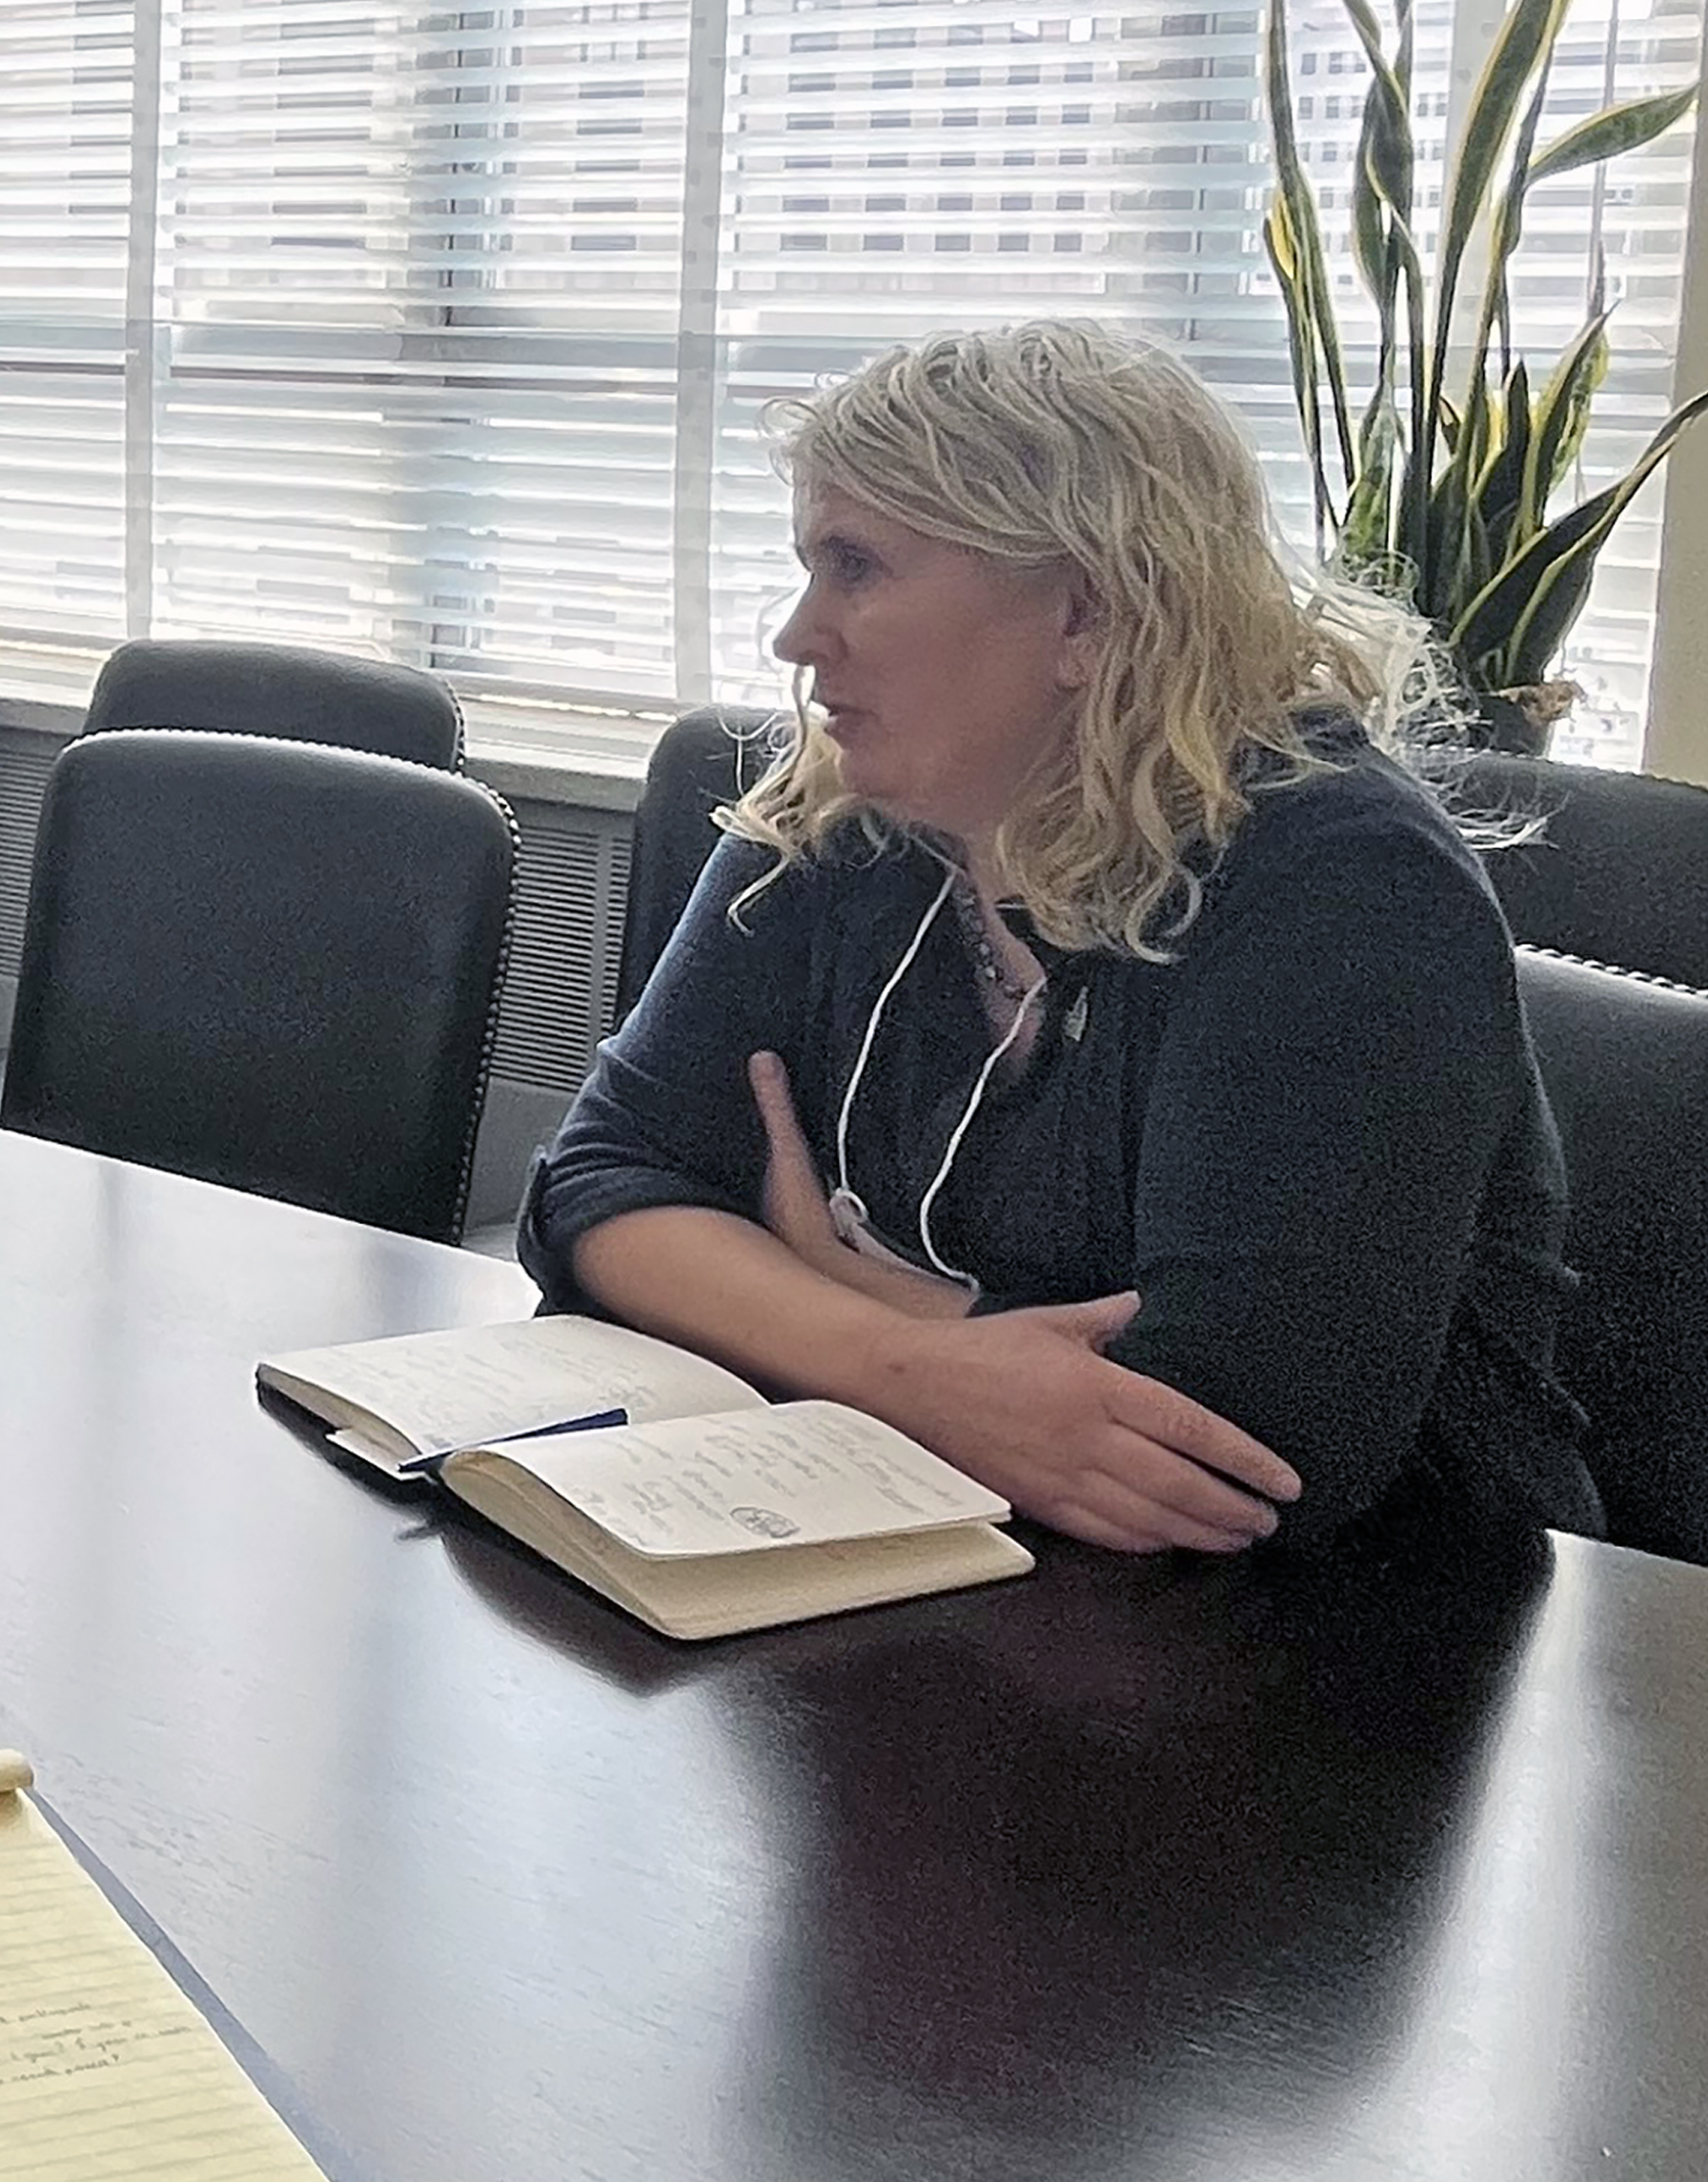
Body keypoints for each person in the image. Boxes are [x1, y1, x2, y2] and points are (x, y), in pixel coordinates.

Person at [524, 317, 1595, 1559]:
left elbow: (1232, 1444)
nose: (797, 636)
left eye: (857, 567)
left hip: (1377, 1646)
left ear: (1084, 612)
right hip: (953, 1567)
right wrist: (911, 1361)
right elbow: (593, 1188)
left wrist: (811, 1276)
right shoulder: (836, 812)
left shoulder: (1343, 884)